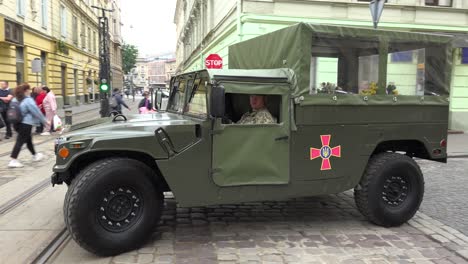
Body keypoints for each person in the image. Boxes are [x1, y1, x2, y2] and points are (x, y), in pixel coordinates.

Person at [8, 83, 48, 168]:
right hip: (26, 124)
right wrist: (45, 121)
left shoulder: (15, 99)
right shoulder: (28, 100)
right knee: (20, 141)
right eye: (29, 89)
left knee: (28, 139)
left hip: (16, 123)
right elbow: (36, 111)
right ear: (26, 91)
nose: (30, 91)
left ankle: (35, 155)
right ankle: (13, 159)